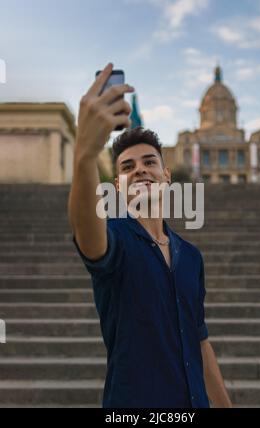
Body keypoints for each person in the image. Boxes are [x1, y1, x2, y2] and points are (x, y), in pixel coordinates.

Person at [68, 63, 232, 408]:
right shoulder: (113, 239)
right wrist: (84, 156)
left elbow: (200, 343)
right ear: (117, 186)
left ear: (166, 175)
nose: (140, 169)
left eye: (149, 162)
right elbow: (86, 227)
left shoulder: (191, 256)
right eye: (127, 167)